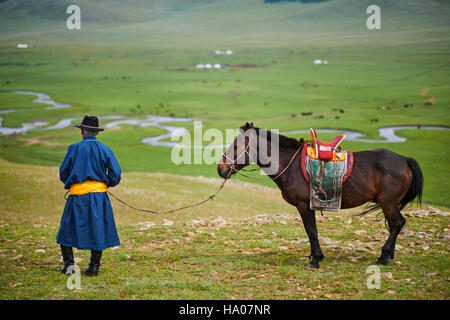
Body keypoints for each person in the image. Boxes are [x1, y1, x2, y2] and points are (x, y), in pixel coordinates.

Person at [56, 115, 121, 276]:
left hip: (77, 195)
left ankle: (69, 266)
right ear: (96, 133)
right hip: (99, 196)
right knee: (97, 229)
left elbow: (63, 172)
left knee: (67, 229)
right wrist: (106, 184)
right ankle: (93, 268)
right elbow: (116, 174)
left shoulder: (74, 148)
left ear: (82, 132)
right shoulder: (105, 149)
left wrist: (72, 183)